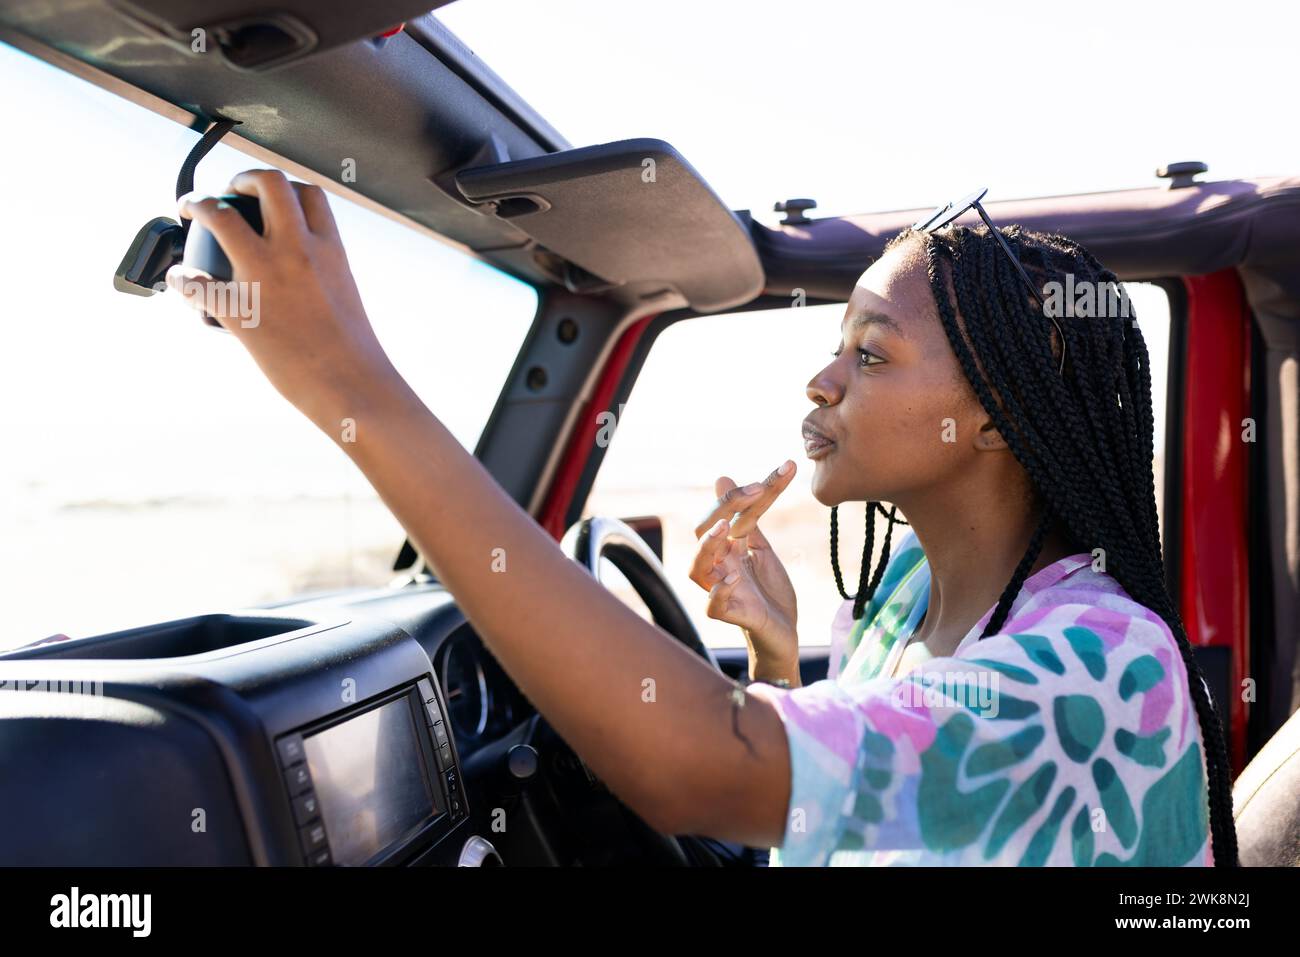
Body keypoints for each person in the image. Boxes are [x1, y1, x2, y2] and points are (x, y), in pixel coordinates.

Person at [168, 170, 1236, 867]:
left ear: (1002, 413)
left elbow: (697, 766)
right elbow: (841, 821)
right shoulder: (915, 590)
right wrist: (773, 658)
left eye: (869, 354)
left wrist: (347, 387)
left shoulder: (1099, 670)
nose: (822, 382)